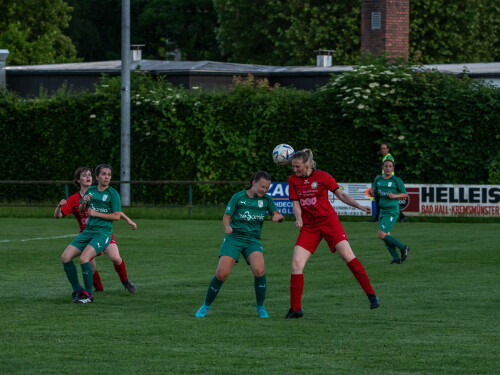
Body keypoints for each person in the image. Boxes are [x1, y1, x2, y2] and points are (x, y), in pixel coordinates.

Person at [285, 149, 379, 319]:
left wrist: (359, 206)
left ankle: (371, 295)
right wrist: (299, 218)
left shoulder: (323, 177)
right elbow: (296, 204)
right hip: (309, 226)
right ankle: (295, 309)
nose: (294, 169)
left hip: (329, 222)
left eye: (297, 166)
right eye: (292, 166)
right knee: (296, 264)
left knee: (347, 256)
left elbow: (341, 194)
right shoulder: (293, 180)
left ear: (306, 165)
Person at [195, 171, 284, 318]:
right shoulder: (238, 197)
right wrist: (227, 226)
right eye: (262, 186)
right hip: (234, 238)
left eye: (267, 188)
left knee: (259, 270)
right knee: (221, 274)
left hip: (253, 240)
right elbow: (226, 216)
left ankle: (261, 307)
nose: (264, 190)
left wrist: (278, 217)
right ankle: (205, 306)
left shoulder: (267, 200)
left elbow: (277, 215)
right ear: (254, 183)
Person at [55, 167, 137, 294]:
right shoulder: (76, 198)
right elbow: (60, 215)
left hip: (103, 233)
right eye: (84, 175)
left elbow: (115, 211)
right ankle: (97, 289)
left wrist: (128, 219)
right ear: (78, 180)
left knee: (115, 257)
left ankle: (125, 281)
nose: (88, 177)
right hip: (87, 233)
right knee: (89, 266)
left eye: (89, 175)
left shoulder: (103, 192)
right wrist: (61, 206)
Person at [370, 159, 410, 264]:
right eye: (386, 166)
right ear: (382, 167)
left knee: (381, 234)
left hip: (392, 211)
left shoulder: (396, 180)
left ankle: (403, 247)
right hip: (382, 211)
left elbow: (405, 195)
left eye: (390, 166)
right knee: (386, 236)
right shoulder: (378, 179)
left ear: (393, 168)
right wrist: (371, 193)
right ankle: (397, 259)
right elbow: (375, 193)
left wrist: (395, 196)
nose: (388, 168)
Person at [370, 143, 407, 223]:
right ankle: (400, 217)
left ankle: (379, 217)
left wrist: (385, 178)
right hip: (385, 180)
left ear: (388, 149)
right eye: (381, 148)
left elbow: (389, 170)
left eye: (384, 148)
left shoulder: (388, 157)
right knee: (383, 199)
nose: (382, 150)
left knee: (384, 199)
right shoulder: (385, 157)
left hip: (389, 182)